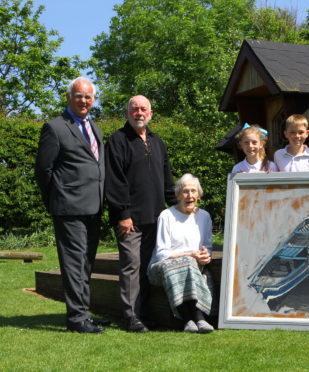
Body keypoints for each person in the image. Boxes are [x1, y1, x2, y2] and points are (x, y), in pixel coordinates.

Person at [35, 77, 108, 333]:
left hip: (94, 207)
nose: (84, 101)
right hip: (69, 209)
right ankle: (77, 319)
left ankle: (84, 313)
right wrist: (56, 199)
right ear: (69, 97)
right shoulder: (54, 128)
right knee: (73, 264)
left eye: (89, 97)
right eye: (79, 96)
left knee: (86, 263)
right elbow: (44, 170)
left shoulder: (95, 128)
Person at [105, 95, 176, 332]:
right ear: (127, 113)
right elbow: (114, 182)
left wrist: (177, 209)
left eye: (143, 109)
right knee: (131, 267)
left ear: (151, 113)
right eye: (134, 109)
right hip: (130, 220)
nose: (139, 113)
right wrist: (123, 214)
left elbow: (167, 181)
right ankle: (130, 316)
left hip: (156, 219)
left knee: (146, 268)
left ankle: (143, 314)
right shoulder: (117, 140)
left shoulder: (158, 142)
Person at [147, 174, 215, 333]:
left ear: (198, 194)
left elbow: (208, 247)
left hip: (193, 266)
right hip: (160, 268)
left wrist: (206, 255)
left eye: (193, 191)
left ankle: (191, 322)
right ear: (178, 195)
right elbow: (162, 253)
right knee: (187, 263)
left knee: (191, 265)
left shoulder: (204, 216)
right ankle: (194, 318)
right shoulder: (167, 215)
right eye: (185, 191)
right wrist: (190, 255)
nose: (190, 196)